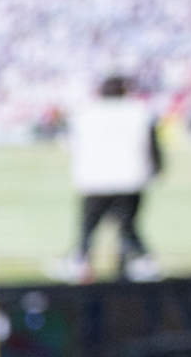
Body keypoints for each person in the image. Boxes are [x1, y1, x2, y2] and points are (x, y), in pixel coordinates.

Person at [64, 72, 163, 280]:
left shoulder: (85, 112)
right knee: (127, 224)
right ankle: (139, 261)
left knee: (89, 225)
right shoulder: (138, 111)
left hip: (94, 178)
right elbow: (152, 143)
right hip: (129, 178)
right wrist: (156, 168)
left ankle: (81, 261)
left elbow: (73, 143)